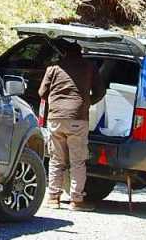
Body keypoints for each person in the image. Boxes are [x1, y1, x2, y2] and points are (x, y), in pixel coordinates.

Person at [39, 39, 106, 212]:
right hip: (78, 119)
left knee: (56, 159)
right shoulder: (89, 67)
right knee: (78, 162)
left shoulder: (53, 68)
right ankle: (76, 201)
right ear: (81, 52)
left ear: (65, 53)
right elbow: (101, 91)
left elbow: (42, 93)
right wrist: (87, 102)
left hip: (56, 118)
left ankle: (53, 198)